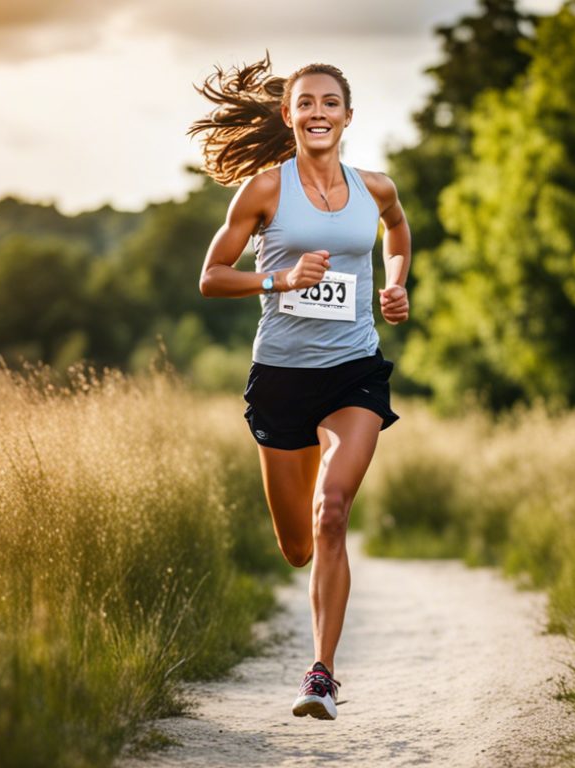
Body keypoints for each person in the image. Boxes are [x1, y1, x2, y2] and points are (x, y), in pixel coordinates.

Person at [188, 54, 411, 721]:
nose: (318, 112)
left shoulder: (374, 189)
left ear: (347, 116)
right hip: (281, 378)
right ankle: (312, 567)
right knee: (297, 546)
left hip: (354, 374)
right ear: (289, 115)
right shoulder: (261, 191)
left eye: (330, 102)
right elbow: (211, 276)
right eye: (305, 103)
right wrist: (277, 280)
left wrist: (396, 281)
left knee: (332, 510)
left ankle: (321, 675)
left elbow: (396, 232)